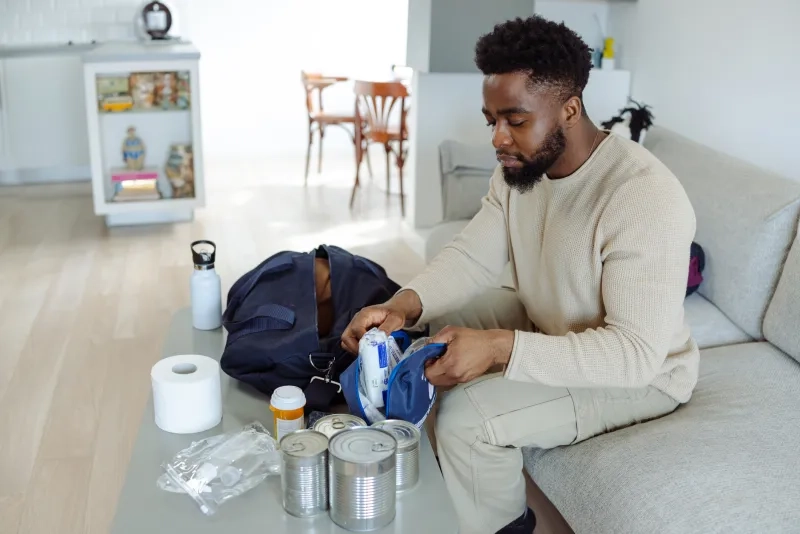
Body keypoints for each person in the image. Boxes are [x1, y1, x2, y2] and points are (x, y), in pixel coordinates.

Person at [341, 15, 698, 534]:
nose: (498, 138)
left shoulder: (642, 196)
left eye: (515, 120)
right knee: (424, 334)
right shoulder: (519, 171)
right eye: (491, 120)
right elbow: (472, 255)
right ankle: (453, 490)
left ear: (570, 109)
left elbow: (633, 355)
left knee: (470, 418)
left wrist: (500, 347)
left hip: (642, 376)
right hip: (556, 325)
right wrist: (403, 305)